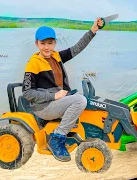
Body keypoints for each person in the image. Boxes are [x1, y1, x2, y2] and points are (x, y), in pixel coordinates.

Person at [22, 18, 104, 162]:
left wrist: (92, 31)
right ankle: (57, 138)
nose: (46, 47)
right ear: (36, 44)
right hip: (44, 107)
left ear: (55, 43)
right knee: (80, 101)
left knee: (85, 99)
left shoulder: (56, 56)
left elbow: (77, 48)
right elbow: (27, 93)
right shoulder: (33, 64)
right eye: (43, 43)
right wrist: (54, 96)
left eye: (50, 43)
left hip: (56, 101)